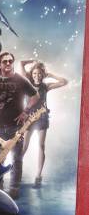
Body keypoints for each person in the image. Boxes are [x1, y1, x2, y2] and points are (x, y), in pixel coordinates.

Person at [0, 52, 40, 199]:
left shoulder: (20, 80)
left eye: (10, 61)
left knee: (16, 158)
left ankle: (14, 188)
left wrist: (26, 111)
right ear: (0, 64)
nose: (8, 64)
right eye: (5, 62)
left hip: (17, 126)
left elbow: (35, 96)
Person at [20, 60, 68, 188]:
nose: (37, 76)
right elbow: (21, 64)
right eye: (35, 73)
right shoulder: (27, 83)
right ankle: (15, 171)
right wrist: (31, 61)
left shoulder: (45, 87)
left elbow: (64, 82)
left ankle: (38, 176)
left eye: (40, 73)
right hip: (29, 118)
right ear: (32, 74)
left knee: (41, 146)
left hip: (42, 117)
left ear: (42, 75)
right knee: (24, 147)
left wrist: (51, 74)